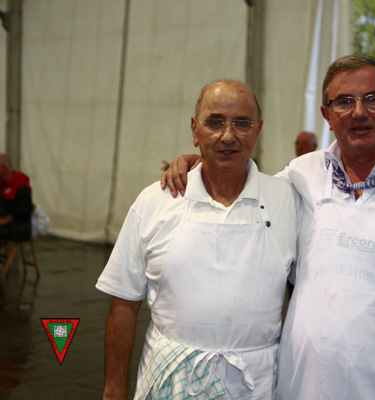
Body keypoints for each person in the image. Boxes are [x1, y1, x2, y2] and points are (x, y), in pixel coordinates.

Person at [162, 55, 375, 400]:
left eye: (372, 99)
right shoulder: (302, 174)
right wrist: (202, 164)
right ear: (327, 115)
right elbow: (246, 190)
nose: (358, 112)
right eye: (344, 102)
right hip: (300, 387)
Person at [96, 80, 298, 400]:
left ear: (258, 131)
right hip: (169, 382)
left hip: (255, 387)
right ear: (195, 129)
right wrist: (113, 391)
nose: (228, 136)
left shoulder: (287, 200)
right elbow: (123, 303)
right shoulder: (156, 201)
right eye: (214, 122)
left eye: (242, 123)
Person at [0, 154, 33, 241]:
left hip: (18, 228)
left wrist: (5, 220)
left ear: (3, 168)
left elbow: (25, 210)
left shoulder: (21, 185)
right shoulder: (2, 183)